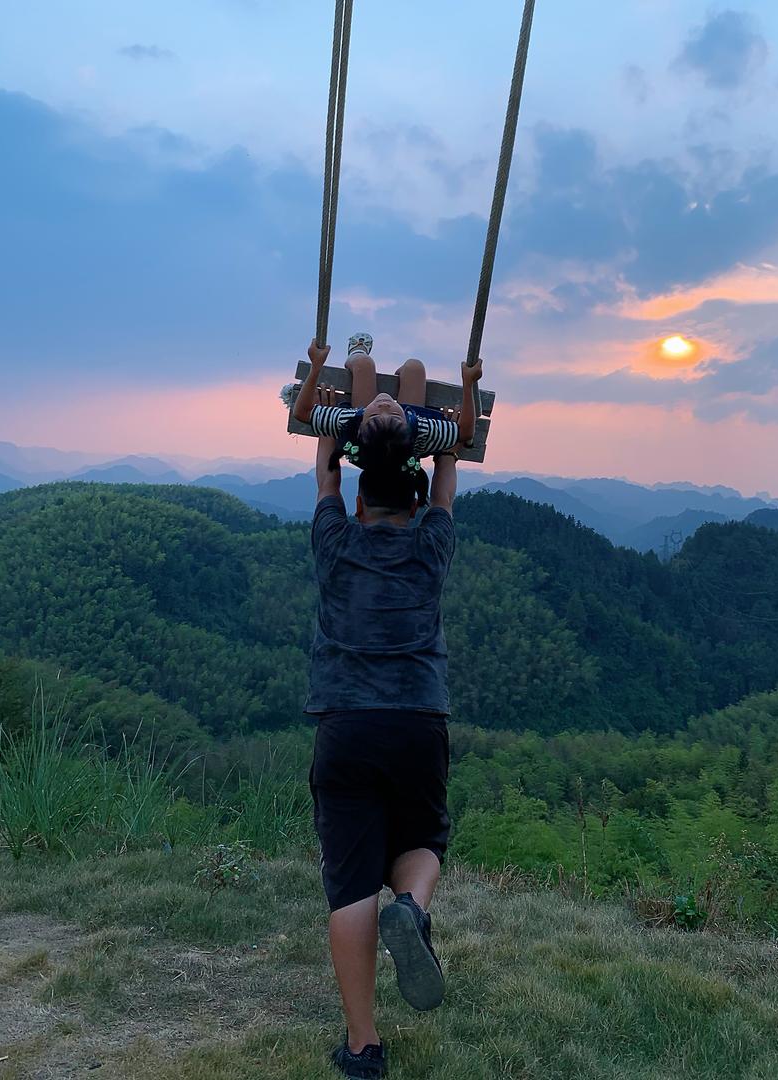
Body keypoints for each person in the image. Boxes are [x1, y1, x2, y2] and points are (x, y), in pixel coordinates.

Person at [303, 335, 464, 1079]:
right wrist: (452, 404)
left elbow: (324, 476)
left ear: (361, 499)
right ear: (414, 495)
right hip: (418, 721)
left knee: (348, 876)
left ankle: (364, 1047)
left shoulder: (335, 544)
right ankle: (414, 907)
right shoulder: (431, 549)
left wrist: (329, 395)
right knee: (424, 836)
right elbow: (447, 477)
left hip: (345, 723)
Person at [292, 333, 483, 484]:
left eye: (374, 413)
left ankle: (356, 355)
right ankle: (403, 376)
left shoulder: (350, 419)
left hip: (365, 450)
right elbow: (465, 432)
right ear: (407, 421)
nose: (384, 404)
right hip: (405, 448)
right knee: (415, 368)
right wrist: (468, 383)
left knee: (363, 365)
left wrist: (316, 367)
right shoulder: (423, 428)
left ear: (360, 422)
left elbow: (302, 413)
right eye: (392, 411)